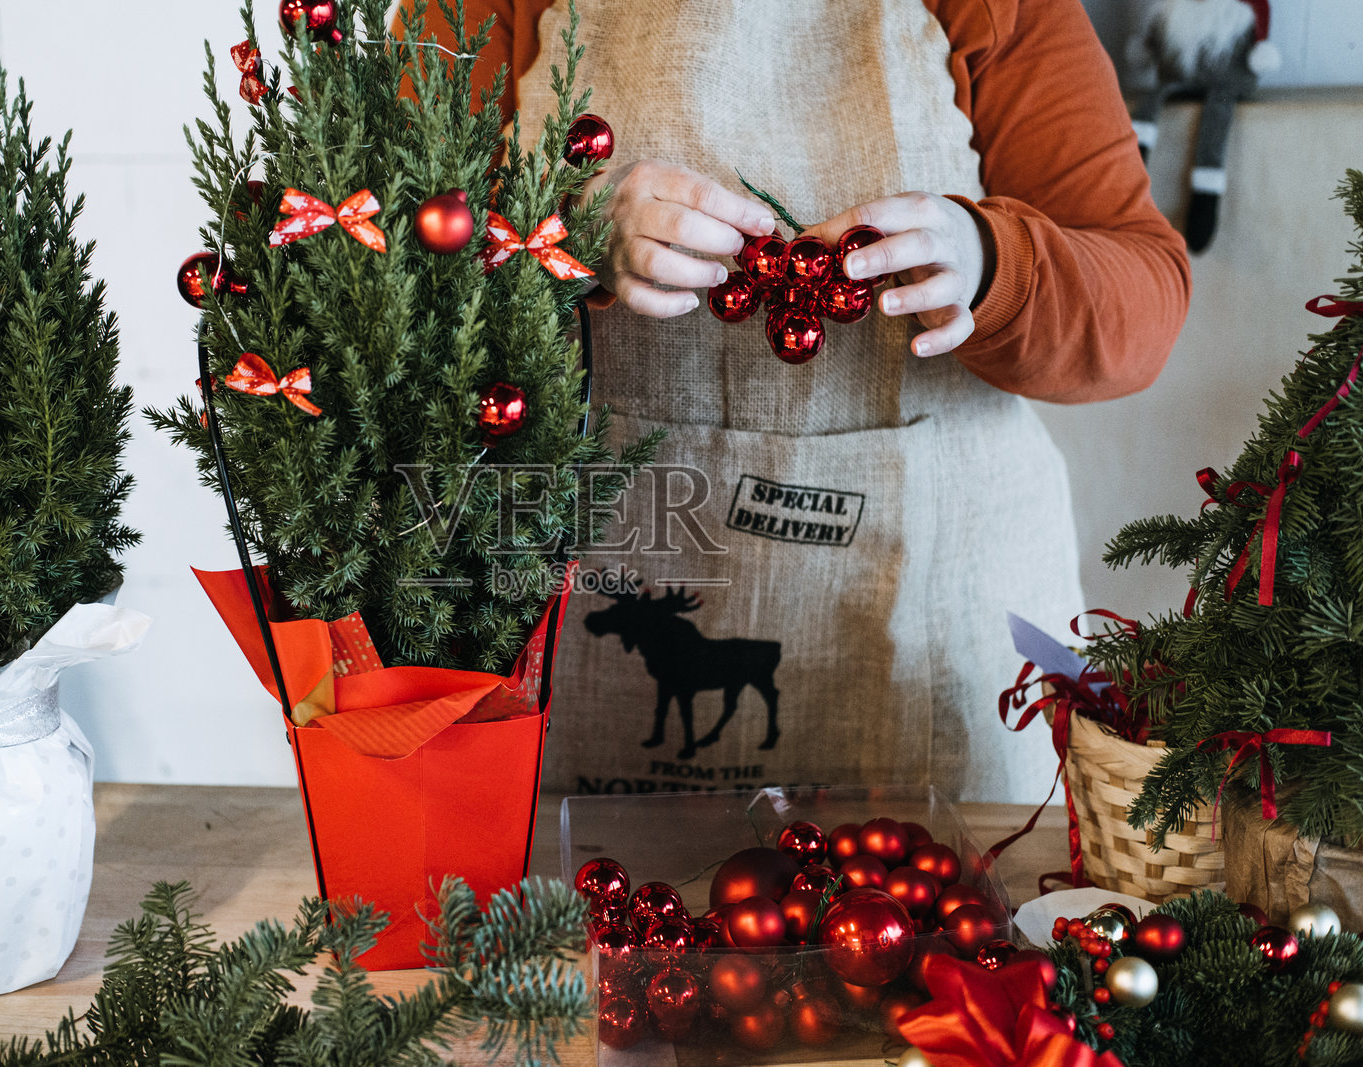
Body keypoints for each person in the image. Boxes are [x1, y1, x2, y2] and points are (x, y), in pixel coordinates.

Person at [418, 0, 1191, 802]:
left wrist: (991, 260)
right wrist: (557, 231)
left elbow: (1144, 300)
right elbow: (368, 268)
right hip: (576, 578)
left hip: (935, 613)